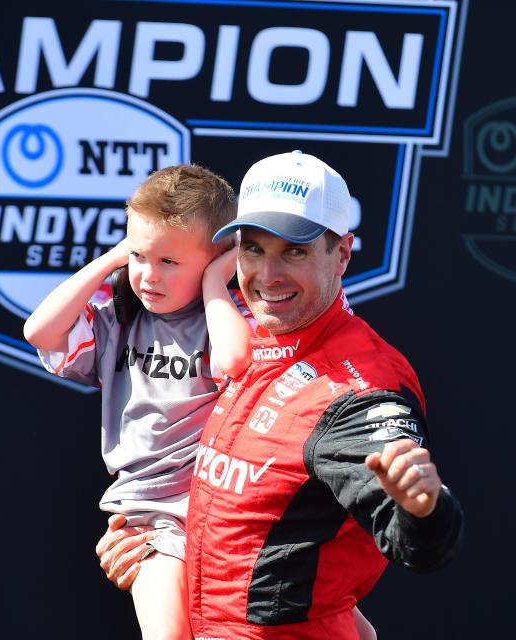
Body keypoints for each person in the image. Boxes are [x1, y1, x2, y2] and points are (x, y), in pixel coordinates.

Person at [96, 150, 464, 640]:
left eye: (294, 251)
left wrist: (424, 510)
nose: (267, 276)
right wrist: (149, 547)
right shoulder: (247, 340)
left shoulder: (360, 386)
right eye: (253, 249)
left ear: (343, 253)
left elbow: (413, 538)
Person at [23, 164, 252, 640]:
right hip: (152, 520)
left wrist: (215, 285)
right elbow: (39, 331)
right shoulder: (119, 322)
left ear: (218, 258)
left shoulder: (228, 316)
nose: (149, 275)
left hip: (229, 515)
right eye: (140, 256)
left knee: (347, 628)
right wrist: (112, 260)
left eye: (170, 262)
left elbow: (233, 360)